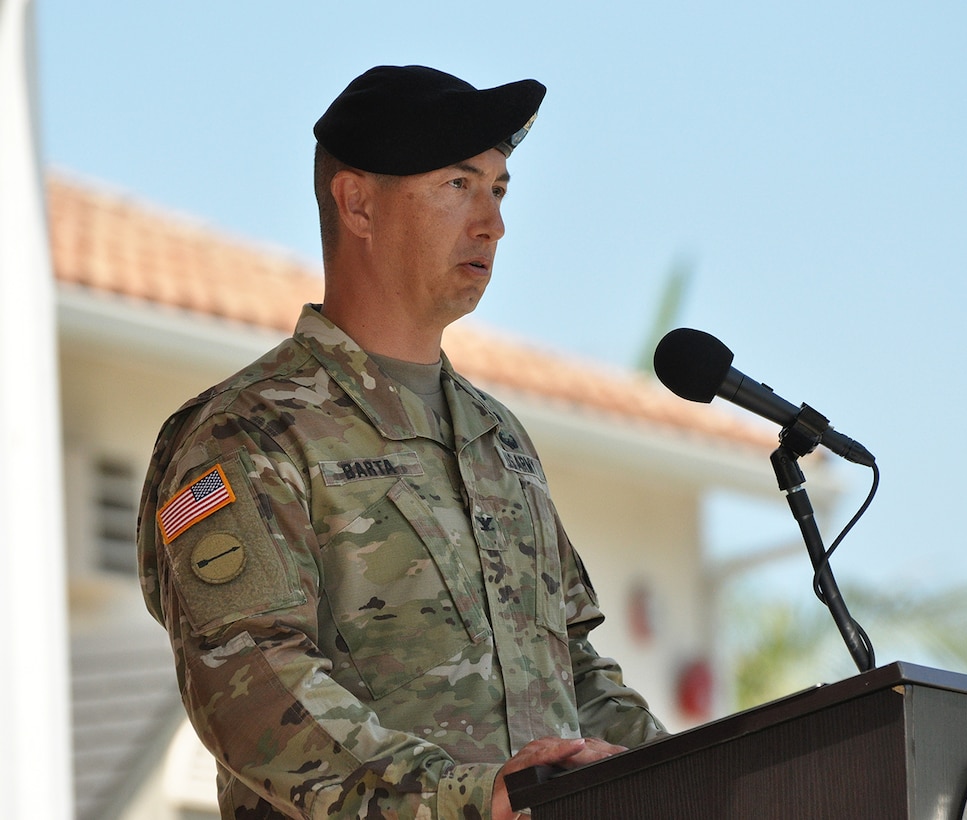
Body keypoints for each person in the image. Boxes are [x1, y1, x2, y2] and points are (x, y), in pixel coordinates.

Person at [137, 64, 666, 819]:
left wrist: (697, 778)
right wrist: (467, 801)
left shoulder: (497, 438)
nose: (492, 222)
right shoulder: (248, 432)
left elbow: (573, 674)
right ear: (356, 203)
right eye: (458, 185)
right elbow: (250, 685)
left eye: (499, 189)